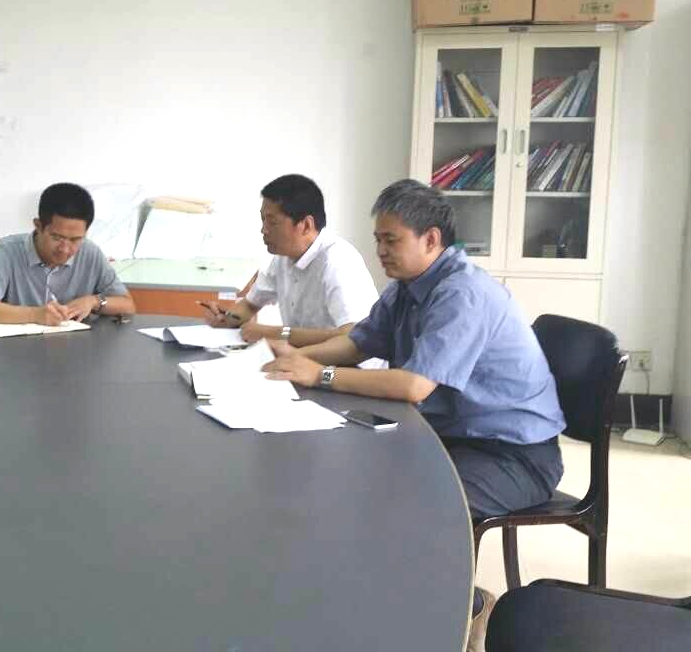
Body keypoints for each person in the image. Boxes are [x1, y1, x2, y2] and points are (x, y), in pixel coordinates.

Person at [261, 179, 566, 647]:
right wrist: (295, 359)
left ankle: (462, 608)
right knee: (353, 477)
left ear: (431, 240)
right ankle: (362, 599)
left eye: (391, 240)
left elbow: (413, 384)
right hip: (455, 435)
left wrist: (317, 374)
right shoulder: (407, 286)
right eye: (378, 239)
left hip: (515, 455)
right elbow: (358, 342)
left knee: (413, 506)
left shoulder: (462, 294)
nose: (380, 251)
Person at [201, 174, 379, 348]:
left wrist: (275, 333)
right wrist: (226, 318)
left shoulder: (338, 261)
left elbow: (353, 335)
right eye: (263, 220)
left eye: (272, 222)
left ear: (306, 225)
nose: (264, 230)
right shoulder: (283, 257)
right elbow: (250, 305)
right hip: (303, 358)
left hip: (345, 365)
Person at [0, 183, 136, 324]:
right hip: (16, 349)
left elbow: (128, 306)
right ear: (38, 226)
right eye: (57, 237)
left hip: (76, 349)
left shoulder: (90, 252)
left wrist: (94, 301)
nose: (65, 249)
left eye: (75, 239)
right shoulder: (5, 251)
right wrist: (36, 315)